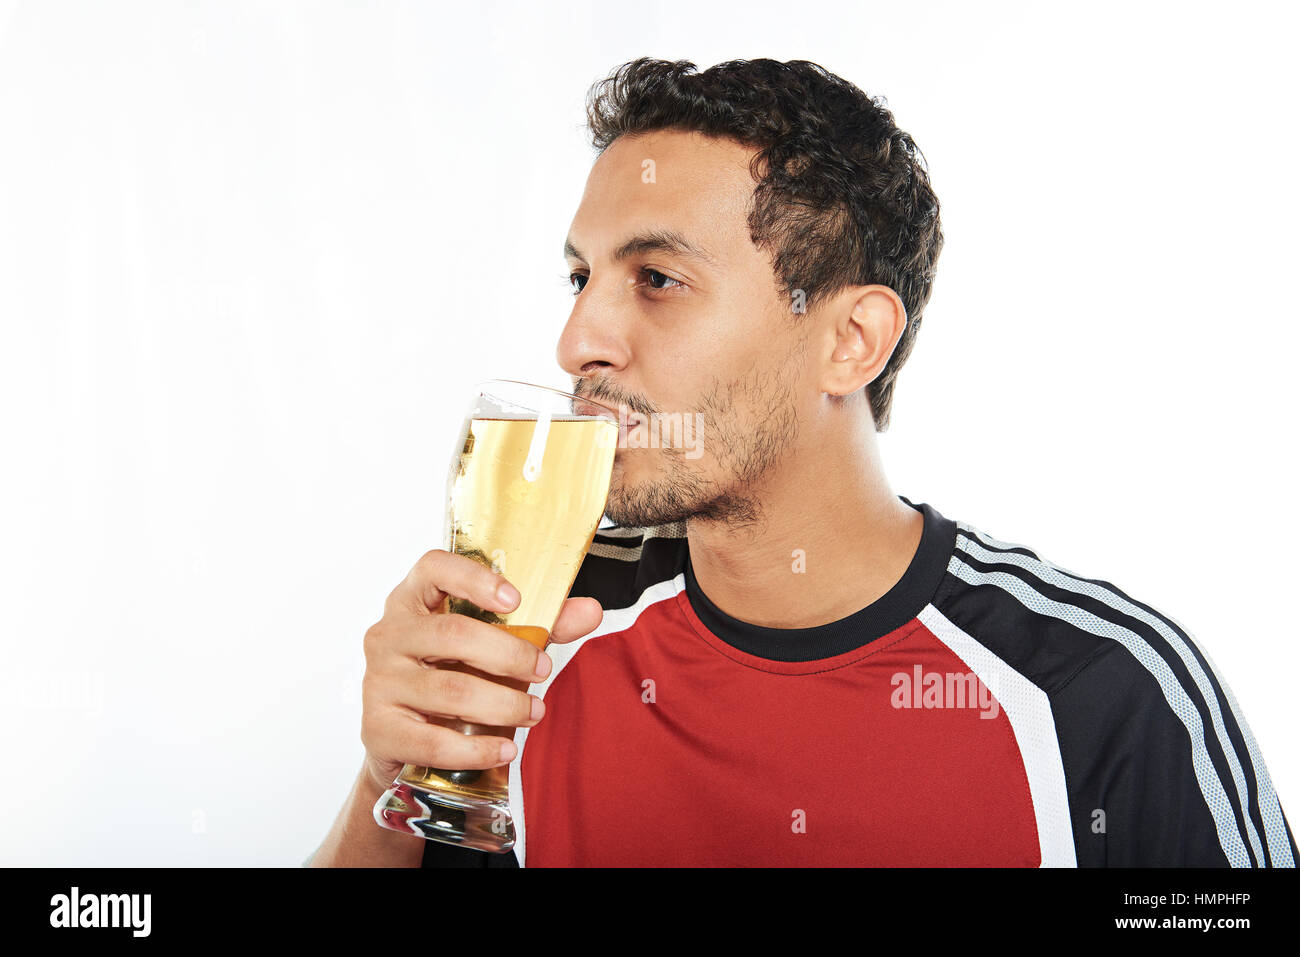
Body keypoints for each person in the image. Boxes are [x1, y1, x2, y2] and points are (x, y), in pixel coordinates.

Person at [308, 57, 1295, 867]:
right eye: (580, 276)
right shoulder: (533, 637)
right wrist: (390, 774)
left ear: (850, 341)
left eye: (656, 278)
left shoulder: (1099, 689)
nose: (578, 339)